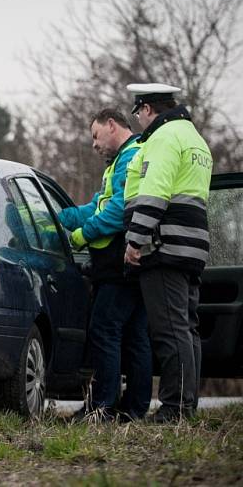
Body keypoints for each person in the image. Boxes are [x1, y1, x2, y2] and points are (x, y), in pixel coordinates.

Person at [123, 83, 213, 423]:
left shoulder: (163, 138)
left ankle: (173, 408)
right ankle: (186, 404)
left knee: (169, 330)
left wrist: (135, 241)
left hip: (164, 246)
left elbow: (155, 193)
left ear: (147, 109)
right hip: (191, 246)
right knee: (187, 328)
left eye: (138, 113)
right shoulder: (195, 139)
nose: (139, 121)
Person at [59, 108, 152, 421]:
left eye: (96, 135)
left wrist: (81, 235)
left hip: (119, 263)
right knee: (135, 335)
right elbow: (99, 203)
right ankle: (134, 409)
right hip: (129, 262)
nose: (94, 145)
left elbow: (117, 210)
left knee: (104, 330)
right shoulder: (121, 160)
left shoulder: (131, 156)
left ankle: (102, 407)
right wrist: (63, 217)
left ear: (112, 125)